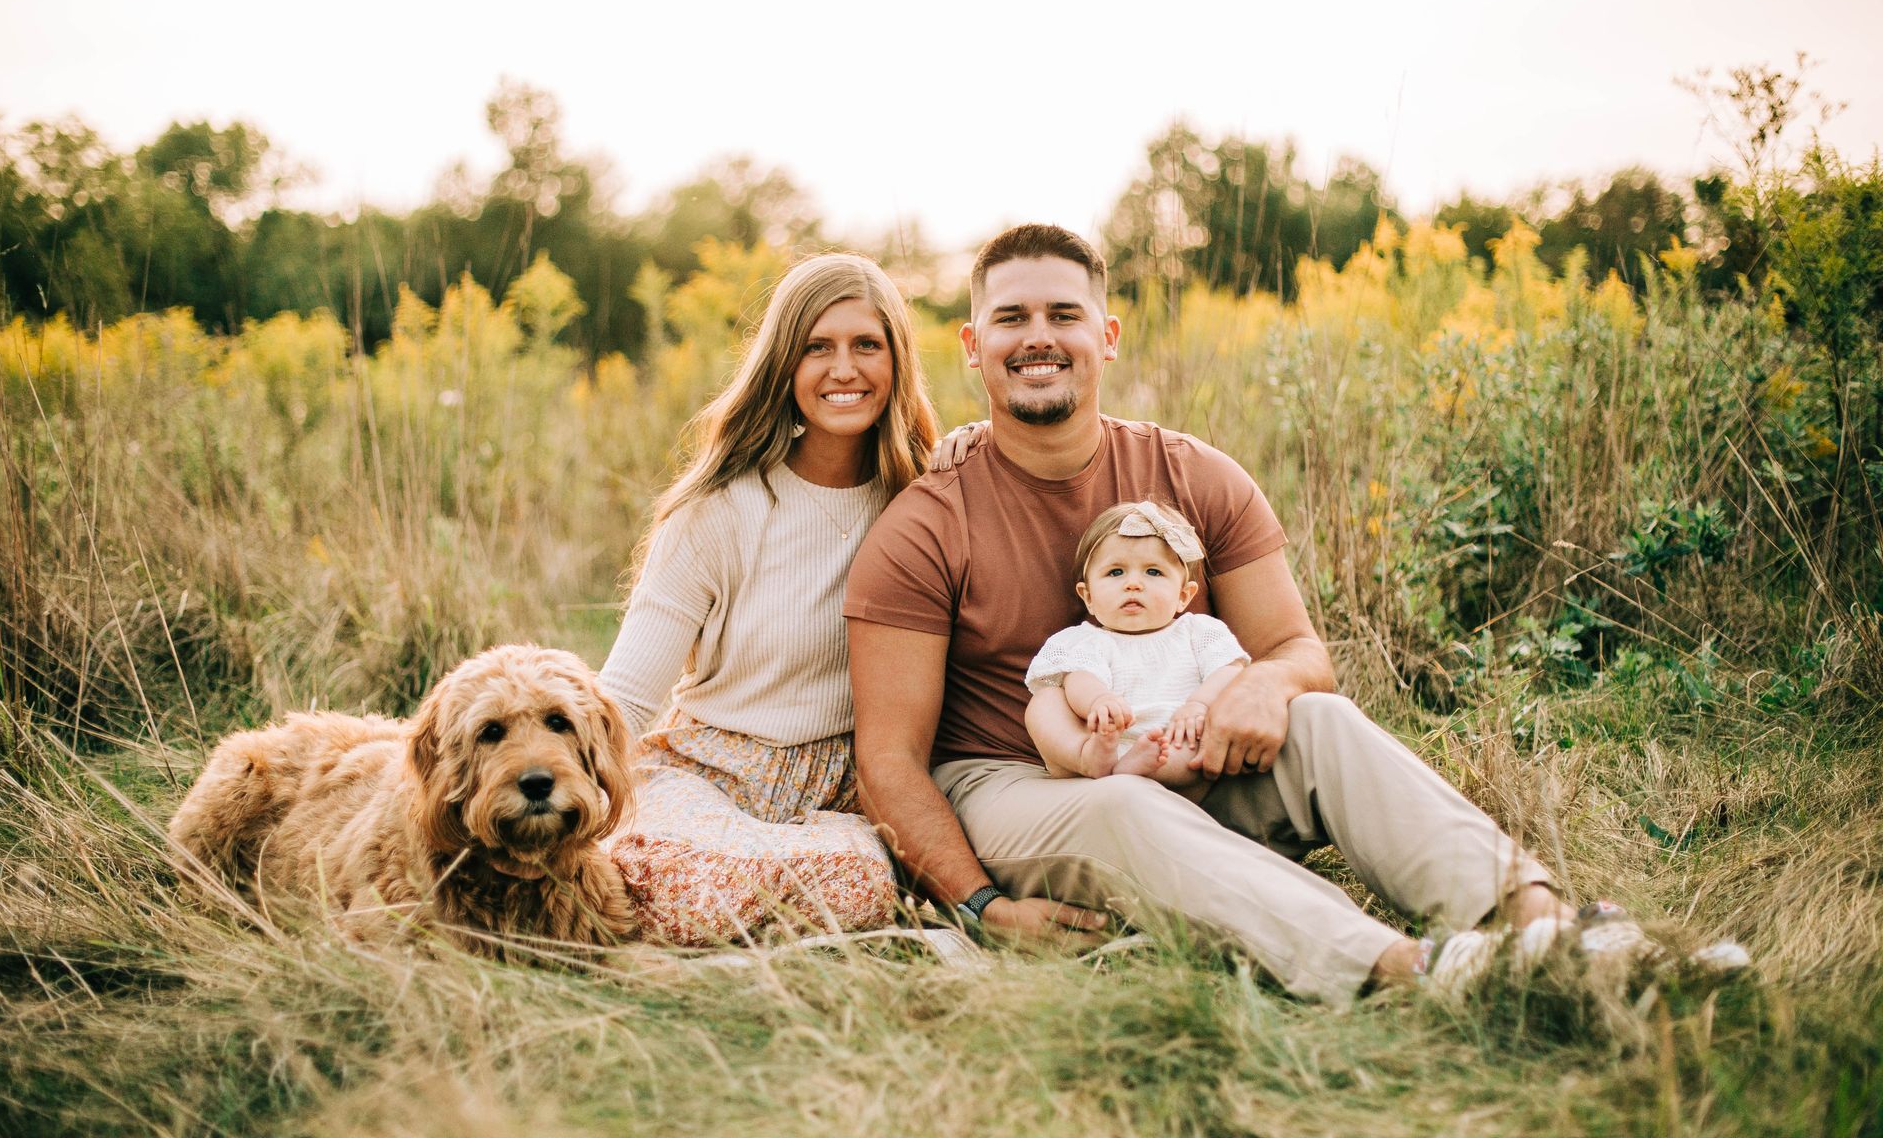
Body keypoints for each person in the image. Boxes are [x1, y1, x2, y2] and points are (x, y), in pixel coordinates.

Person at [844, 222, 1582, 1005]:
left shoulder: (1194, 474)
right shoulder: (926, 524)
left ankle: (1547, 928)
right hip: (1016, 781)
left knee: (1322, 720)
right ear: (971, 343)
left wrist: (1263, 688)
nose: (1039, 339)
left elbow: (1296, 649)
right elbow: (888, 762)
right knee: (1122, 801)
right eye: (1011, 318)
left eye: (1064, 315)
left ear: (1108, 335)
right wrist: (982, 906)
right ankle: (1406, 969)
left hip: (1186, 754)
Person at [600, 252, 938, 946]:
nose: (844, 369)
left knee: (868, 884)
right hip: (711, 771)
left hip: (846, 785)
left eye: (866, 346)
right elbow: (628, 699)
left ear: (897, 363)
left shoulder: (924, 502)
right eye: (818, 347)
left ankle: (773, 900)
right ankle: (747, 899)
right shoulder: (718, 511)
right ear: (784, 366)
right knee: (677, 885)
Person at [1023, 499, 1245, 798]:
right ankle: (1087, 758)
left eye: (1153, 572)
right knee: (1045, 702)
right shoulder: (1083, 640)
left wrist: (1200, 705)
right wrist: (1098, 701)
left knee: (1206, 735)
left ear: (1183, 595)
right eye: (1116, 572)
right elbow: (1080, 678)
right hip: (1103, 738)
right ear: (1087, 596)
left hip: (1172, 740)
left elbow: (1229, 670)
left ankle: (1136, 771)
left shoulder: (1198, 632)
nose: (1133, 584)